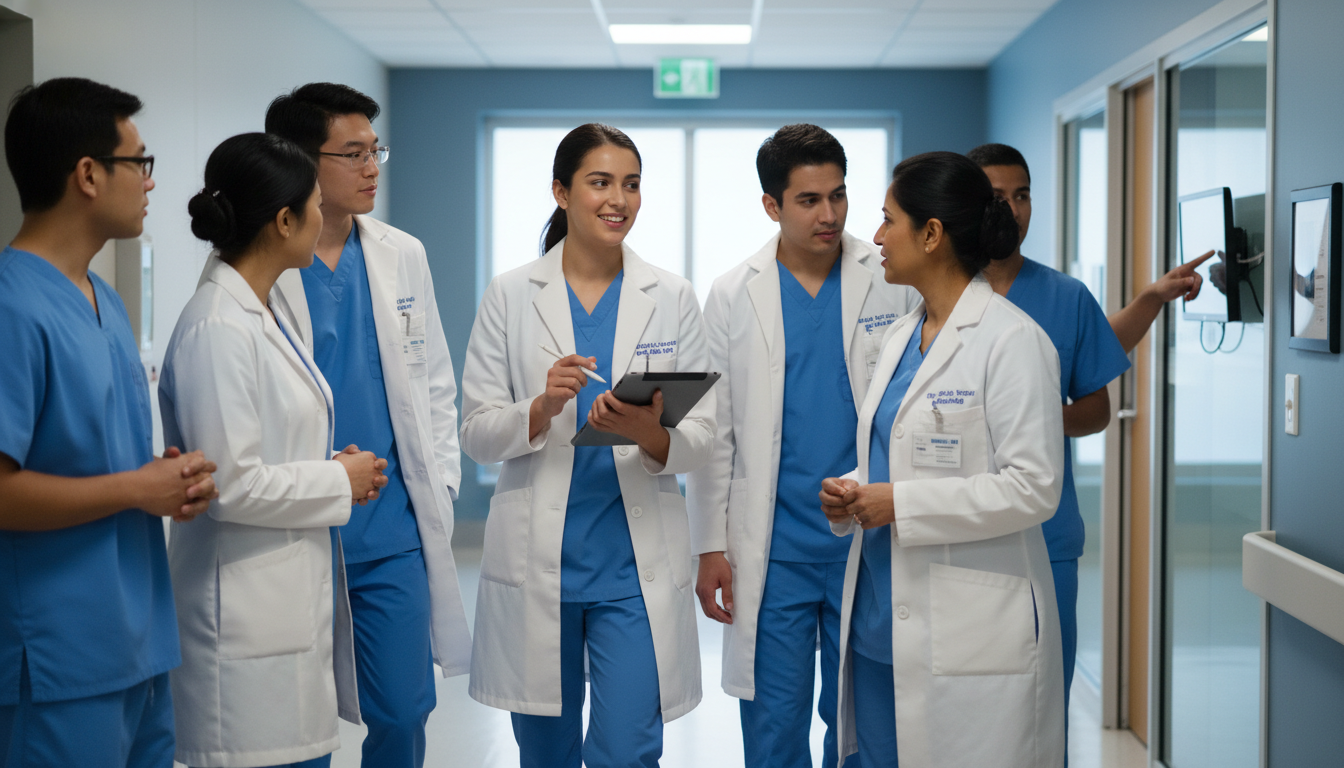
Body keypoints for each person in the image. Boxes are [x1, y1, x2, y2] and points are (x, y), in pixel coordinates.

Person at [459, 123, 712, 767]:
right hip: (539, 562)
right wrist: (540, 408)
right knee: (546, 754)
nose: (617, 199)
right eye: (599, 182)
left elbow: (704, 435)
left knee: (627, 753)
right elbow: (477, 434)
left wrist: (647, 432)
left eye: (631, 185)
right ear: (560, 192)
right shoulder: (512, 294)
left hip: (634, 567)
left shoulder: (673, 296)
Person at [820, 151, 1066, 767]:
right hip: (881, 620)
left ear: (931, 234)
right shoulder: (899, 335)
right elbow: (897, 455)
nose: (875, 236)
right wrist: (854, 490)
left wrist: (897, 503)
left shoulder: (1012, 341)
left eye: (888, 220)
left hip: (967, 628)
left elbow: (1034, 488)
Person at [0, 77, 218, 768]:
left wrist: (169, 485)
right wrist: (134, 489)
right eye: (140, 164)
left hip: (139, 644)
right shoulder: (12, 307)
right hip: (59, 658)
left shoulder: (107, 300)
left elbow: (108, 463)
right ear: (88, 175)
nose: (151, 184)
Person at [686, 124, 914, 768]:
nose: (831, 215)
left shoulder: (890, 277)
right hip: (774, 548)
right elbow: (714, 431)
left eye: (839, 196)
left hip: (864, 543)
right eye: (809, 200)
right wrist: (710, 547)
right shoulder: (734, 293)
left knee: (864, 725)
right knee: (774, 727)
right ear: (772, 206)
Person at [159, 132, 389, 768]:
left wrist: (330, 470)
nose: (323, 219)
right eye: (314, 205)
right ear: (284, 220)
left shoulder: (259, 314)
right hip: (239, 632)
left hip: (282, 615)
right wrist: (338, 480)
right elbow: (228, 484)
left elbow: (265, 448)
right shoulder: (217, 326)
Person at [264, 82, 473, 768]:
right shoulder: (262, 266)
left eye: (374, 149)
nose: (372, 167)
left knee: (406, 711)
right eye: (352, 153)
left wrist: (437, 487)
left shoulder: (399, 253)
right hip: (298, 529)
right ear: (299, 160)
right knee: (300, 724)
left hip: (392, 530)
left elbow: (436, 383)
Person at [966, 143, 1210, 716]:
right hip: (957, 530)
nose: (1014, 209)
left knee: (1043, 703)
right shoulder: (934, 293)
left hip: (1046, 534)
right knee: (966, 711)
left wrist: (1026, 419)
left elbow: (1096, 406)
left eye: (1023, 195)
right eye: (997, 197)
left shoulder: (1065, 296)